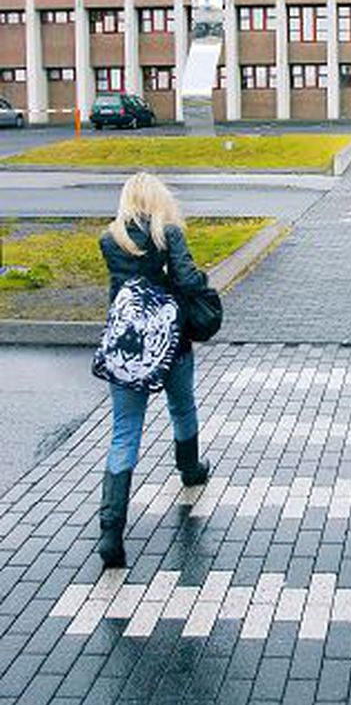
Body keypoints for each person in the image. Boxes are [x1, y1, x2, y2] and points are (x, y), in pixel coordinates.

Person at [97, 171, 210, 568]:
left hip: (126, 346)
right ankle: (191, 469)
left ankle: (111, 531)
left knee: (124, 430)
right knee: (182, 406)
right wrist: (202, 281)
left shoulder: (110, 239)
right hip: (169, 341)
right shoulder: (169, 234)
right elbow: (187, 279)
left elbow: (117, 292)